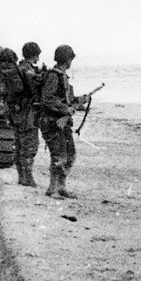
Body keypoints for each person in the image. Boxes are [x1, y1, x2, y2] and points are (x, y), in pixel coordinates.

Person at [39, 45, 90, 199]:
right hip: (53, 122)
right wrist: (66, 110)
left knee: (70, 155)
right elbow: (47, 99)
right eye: (70, 58)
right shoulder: (54, 76)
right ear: (67, 59)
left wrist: (81, 100)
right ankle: (52, 189)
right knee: (59, 156)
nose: (71, 62)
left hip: (63, 123)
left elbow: (66, 100)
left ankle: (61, 187)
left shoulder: (62, 76)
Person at [8, 41, 43, 187]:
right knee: (30, 145)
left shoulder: (18, 68)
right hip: (28, 113)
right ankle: (28, 178)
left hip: (17, 112)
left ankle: (21, 177)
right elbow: (35, 90)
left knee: (19, 145)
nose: (38, 59)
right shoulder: (28, 70)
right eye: (37, 55)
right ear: (34, 54)